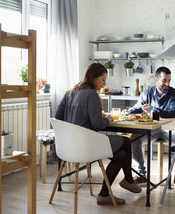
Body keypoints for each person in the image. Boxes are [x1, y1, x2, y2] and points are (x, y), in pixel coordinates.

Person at [55, 63, 141, 206]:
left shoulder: (70, 92)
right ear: (93, 77)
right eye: (103, 79)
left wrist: (76, 121)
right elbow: (98, 125)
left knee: (120, 155)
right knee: (125, 141)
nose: (104, 83)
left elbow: (58, 117)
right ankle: (128, 180)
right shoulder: (91, 94)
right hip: (86, 145)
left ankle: (104, 195)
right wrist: (107, 118)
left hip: (68, 147)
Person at [129, 67, 175, 190]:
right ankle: (141, 175)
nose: (167, 84)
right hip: (153, 130)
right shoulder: (147, 93)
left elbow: (174, 114)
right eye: (164, 80)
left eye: (169, 80)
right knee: (134, 138)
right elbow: (138, 108)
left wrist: (153, 110)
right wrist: (128, 111)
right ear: (156, 79)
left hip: (168, 130)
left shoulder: (173, 94)